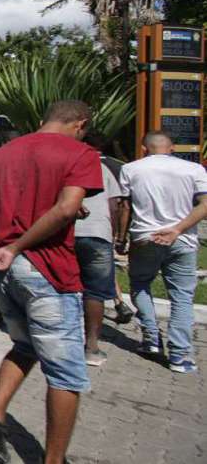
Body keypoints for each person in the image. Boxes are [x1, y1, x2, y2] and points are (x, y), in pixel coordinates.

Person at [0, 100, 102, 464]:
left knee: (24, 346)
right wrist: (15, 246)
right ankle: (54, 460)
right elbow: (65, 208)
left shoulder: (5, 152)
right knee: (66, 373)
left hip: (1, 267)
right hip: (46, 268)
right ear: (80, 124)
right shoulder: (81, 152)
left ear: (44, 120)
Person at [117, 130, 207, 374]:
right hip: (183, 239)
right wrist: (177, 229)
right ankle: (180, 356)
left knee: (140, 284)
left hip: (144, 237)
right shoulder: (194, 170)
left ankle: (151, 337)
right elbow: (204, 205)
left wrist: (121, 238)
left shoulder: (131, 169)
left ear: (144, 148)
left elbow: (125, 206)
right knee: (182, 297)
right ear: (172, 147)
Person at [72, 133, 124, 367]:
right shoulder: (104, 168)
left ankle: (67, 341)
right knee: (95, 292)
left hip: (67, 233)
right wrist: (114, 234)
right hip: (98, 235)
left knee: (66, 287)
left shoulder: (67, 164)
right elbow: (115, 205)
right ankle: (91, 347)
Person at [82, 132, 135, 325]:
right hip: (105, 225)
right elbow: (123, 205)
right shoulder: (119, 167)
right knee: (103, 265)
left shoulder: (80, 163)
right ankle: (119, 301)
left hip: (82, 224)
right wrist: (119, 234)